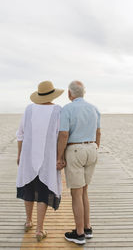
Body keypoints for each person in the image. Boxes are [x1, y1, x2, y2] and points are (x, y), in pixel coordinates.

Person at [16, 80, 64, 242]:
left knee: (29, 188)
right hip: (47, 159)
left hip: (28, 156)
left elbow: (20, 134)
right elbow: (61, 136)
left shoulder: (29, 109)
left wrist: (19, 154)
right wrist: (60, 157)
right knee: (43, 192)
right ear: (52, 94)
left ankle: (28, 221)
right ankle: (39, 229)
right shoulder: (58, 110)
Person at [57, 80, 101, 245]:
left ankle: (79, 233)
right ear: (84, 93)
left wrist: (59, 157)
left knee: (76, 193)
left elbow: (63, 135)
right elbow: (98, 132)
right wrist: (95, 149)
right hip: (92, 149)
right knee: (84, 192)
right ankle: (88, 227)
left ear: (70, 94)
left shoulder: (67, 109)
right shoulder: (94, 108)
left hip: (75, 151)